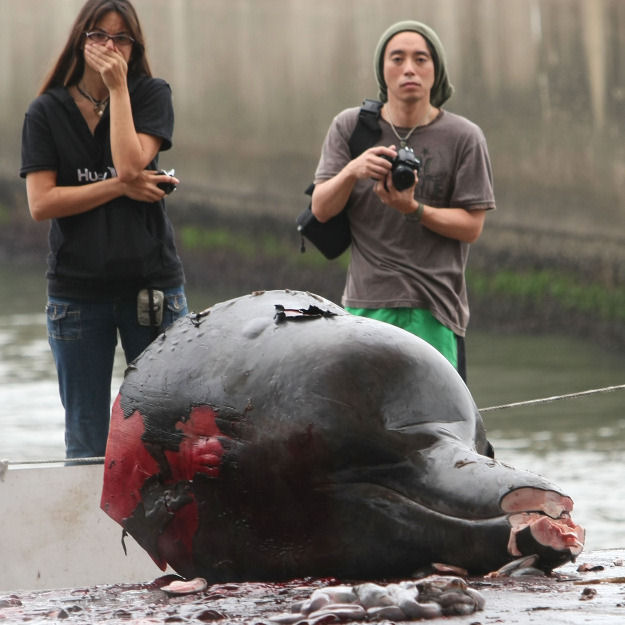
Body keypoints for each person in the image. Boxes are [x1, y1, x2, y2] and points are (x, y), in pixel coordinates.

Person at [20, 0, 188, 459]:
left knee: (165, 433)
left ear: (134, 47)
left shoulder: (152, 94)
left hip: (151, 287)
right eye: (99, 36)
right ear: (81, 40)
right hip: (77, 295)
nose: (109, 47)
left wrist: (118, 90)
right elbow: (42, 203)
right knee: (87, 439)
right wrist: (119, 188)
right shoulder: (46, 112)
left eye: (121, 38)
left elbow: (132, 161)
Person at [311, 20, 496, 381]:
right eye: (397, 58)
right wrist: (352, 170)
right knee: (361, 422)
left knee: (435, 426)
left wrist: (413, 209)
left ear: (435, 71)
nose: (409, 68)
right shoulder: (350, 128)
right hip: (365, 307)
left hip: (435, 309)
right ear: (383, 70)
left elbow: (472, 227)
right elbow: (320, 209)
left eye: (421, 59)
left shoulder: (464, 137)